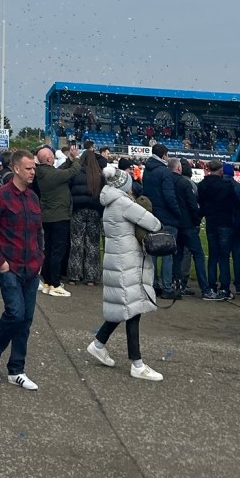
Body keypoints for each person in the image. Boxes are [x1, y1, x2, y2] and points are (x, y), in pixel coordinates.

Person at [86, 161, 165, 381]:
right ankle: (137, 363)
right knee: (133, 310)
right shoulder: (123, 203)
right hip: (127, 261)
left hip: (119, 259)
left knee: (126, 307)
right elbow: (154, 223)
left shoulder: (110, 202)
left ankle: (98, 344)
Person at [0, 149, 44, 391]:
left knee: (25, 320)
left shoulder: (33, 198)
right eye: (29, 168)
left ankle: (17, 370)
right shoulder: (1, 196)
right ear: (16, 169)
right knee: (15, 313)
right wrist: (0, 262)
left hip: (32, 268)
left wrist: (40, 258)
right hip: (10, 267)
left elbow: (38, 231)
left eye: (34, 168)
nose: (33, 172)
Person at [34, 144, 80, 296]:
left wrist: (69, 160)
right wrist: (76, 159)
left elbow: (61, 171)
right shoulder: (51, 175)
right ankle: (55, 283)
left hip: (48, 216)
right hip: (59, 216)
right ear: (49, 159)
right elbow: (73, 171)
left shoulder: (43, 173)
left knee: (49, 250)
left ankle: (48, 281)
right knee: (57, 251)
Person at [170, 159, 218, 300]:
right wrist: (196, 220)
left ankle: (177, 286)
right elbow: (192, 204)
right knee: (198, 255)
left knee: (177, 256)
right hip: (188, 224)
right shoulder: (185, 183)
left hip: (176, 223)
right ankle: (205, 289)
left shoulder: (168, 182)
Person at [139, 143, 182, 293]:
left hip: (152, 214)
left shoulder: (148, 170)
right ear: (164, 155)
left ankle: (153, 283)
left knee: (153, 250)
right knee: (167, 252)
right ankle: (167, 287)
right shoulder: (164, 172)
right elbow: (169, 196)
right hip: (166, 216)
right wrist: (177, 212)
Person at [199, 159, 237, 299]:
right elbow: (234, 203)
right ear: (221, 170)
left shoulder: (203, 185)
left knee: (213, 256)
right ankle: (225, 288)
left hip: (211, 223)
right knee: (224, 257)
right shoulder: (226, 186)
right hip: (225, 223)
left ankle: (211, 286)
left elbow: (201, 203)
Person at [67, 146, 104, 285]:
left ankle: (74, 275)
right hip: (94, 211)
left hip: (78, 210)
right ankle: (91, 277)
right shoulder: (99, 175)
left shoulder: (76, 173)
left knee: (76, 243)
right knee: (93, 244)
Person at [225, 162, 240, 293]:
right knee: (237, 256)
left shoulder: (220, 185)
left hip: (223, 223)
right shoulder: (238, 187)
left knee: (222, 256)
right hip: (237, 224)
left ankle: (224, 285)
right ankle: (239, 284)